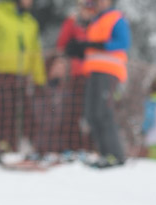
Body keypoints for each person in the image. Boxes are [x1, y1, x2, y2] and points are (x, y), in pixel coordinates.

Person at [67, 0, 130, 168]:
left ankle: (115, 155)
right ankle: (104, 154)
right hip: (93, 72)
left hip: (109, 72)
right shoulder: (96, 21)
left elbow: (123, 42)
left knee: (104, 113)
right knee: (91, 113)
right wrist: (81, 49)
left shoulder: (116, 18)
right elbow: (91, 47)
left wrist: (99, 45)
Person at [0, 0, 46, 153]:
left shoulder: (30, 22)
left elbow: (35, 53)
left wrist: (39, 79)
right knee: (3, 111)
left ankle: (26, 145)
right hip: (0, 73)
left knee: (26, 112)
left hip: (22, 75)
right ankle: (1, 143)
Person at [54, 0, 94, 152]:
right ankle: (70, 147)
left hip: (95, 76)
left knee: (92, 114)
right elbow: (61, 45)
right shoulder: (73, 22)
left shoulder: (99, 23)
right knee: (71, 112)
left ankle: (90, 148)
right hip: (75, 75)